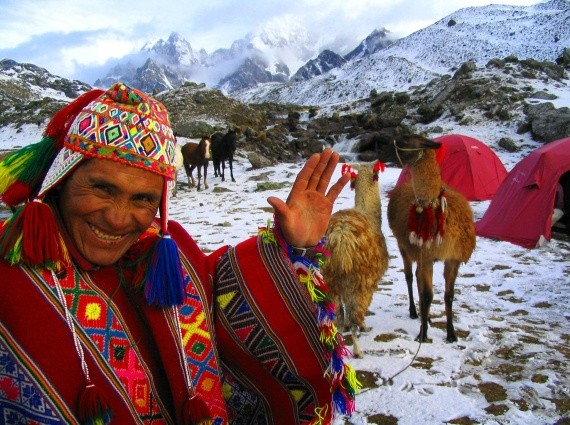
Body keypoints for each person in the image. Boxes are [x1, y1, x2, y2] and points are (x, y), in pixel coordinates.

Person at [0, 82, 357, 424]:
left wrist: (292, 247)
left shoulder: (166, 248)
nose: (119, 218)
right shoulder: (10, 276)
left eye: (143, 199)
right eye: (102, 188)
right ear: (62, 179)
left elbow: (221, 299)